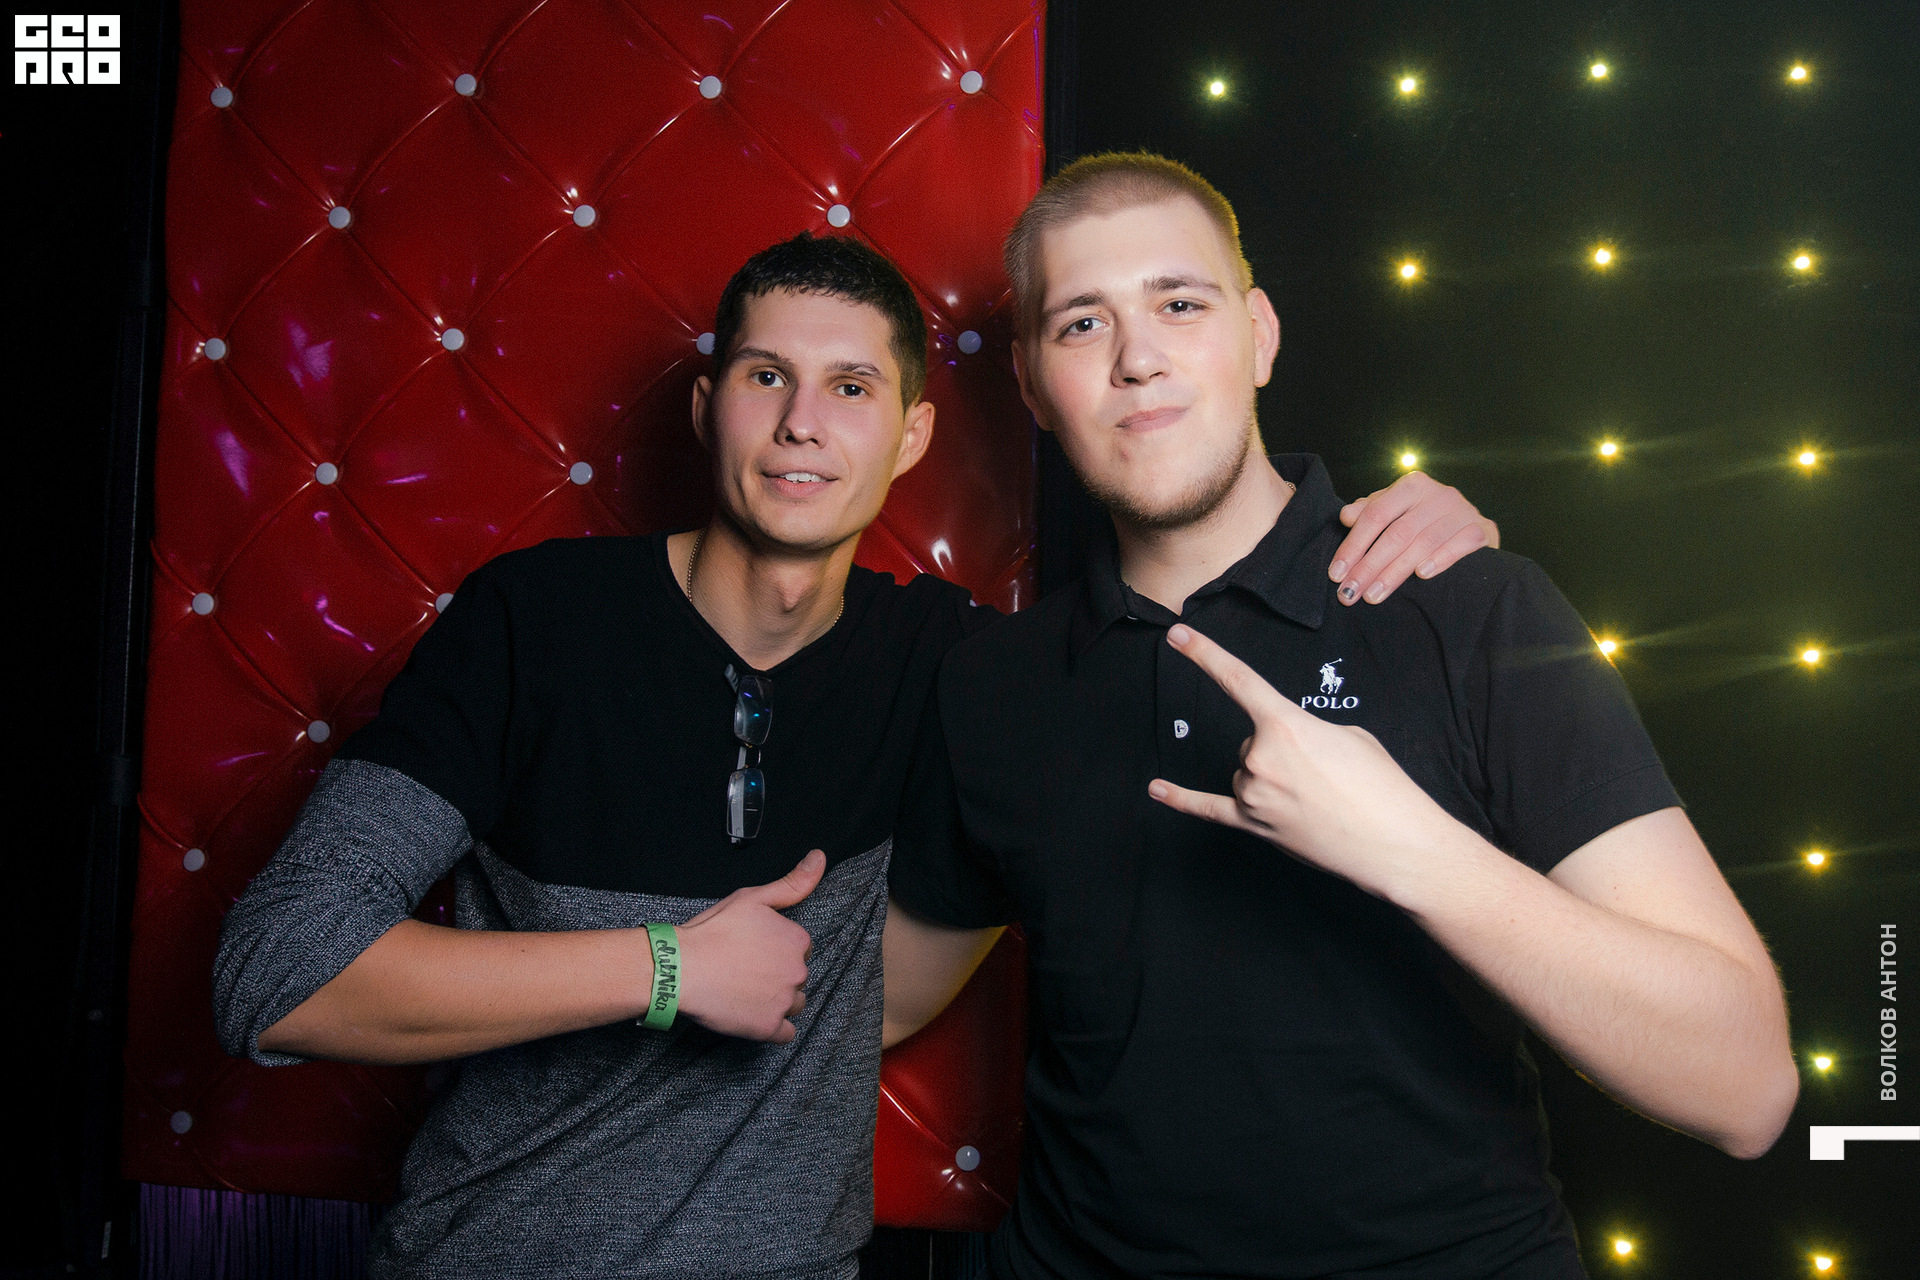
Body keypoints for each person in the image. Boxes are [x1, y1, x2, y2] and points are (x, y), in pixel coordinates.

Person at [212, 230, 1496, 1279]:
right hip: (489, 1255)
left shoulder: (964, 668)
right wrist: (665, 967)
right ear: (709, 408)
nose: (801, 425)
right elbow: (275, 974)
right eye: (766, 377)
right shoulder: (535, 620)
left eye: (851, 388)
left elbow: (1176, 654)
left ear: (912, 436)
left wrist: (1404, 535)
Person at [884, 153, 1800, 1280]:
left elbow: (1745, 1087)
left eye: (1181, 304)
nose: (1138, 358)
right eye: (1082, 323)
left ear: (1259, 335)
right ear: (1031, 385)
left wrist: (1409, 847)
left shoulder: (1468, 607)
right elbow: (871, 997)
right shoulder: (994, 683)